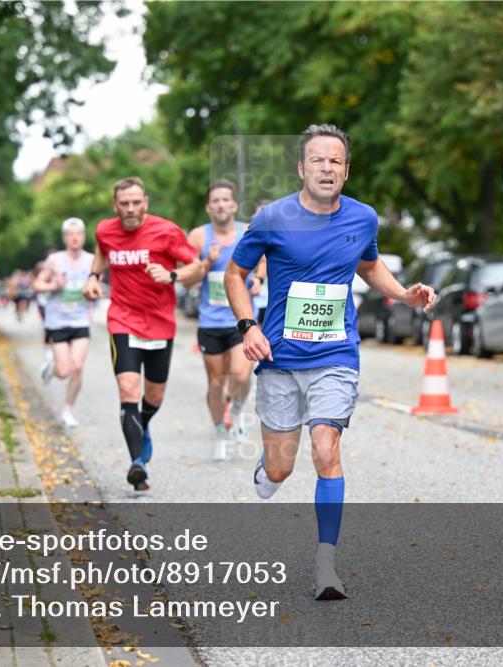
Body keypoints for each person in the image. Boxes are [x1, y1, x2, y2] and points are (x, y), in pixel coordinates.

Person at [224, 124, 437, 601]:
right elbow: (235, 274)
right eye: (317, 160)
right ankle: (269, 468)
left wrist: (404, 294)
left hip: (335, 354)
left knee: (325, 448)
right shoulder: (272, 218)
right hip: (280, 356)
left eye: (335, 161)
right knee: (280, 469)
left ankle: (326, 564)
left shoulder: (363, 217)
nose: (326, 168)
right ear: (302, 168)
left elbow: (368, 264)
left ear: (346, 170)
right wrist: (248, 327)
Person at [83, 177, 204, 491]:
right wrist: (94, 276)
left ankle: (143, 424)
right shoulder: (105, 230)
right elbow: (102, 250)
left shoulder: (167, 231)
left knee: (155, 396)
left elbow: (197, 266)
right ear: (115, 206)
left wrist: (172, 275)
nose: (131, 208)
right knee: (127, 388)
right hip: (122, 319)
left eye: (136, 202)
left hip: (160, 322)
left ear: (146, 203)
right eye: (124, 203)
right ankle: (138, 465)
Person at [185, 180, 263, 460]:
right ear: (209, 207)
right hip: (210, 322)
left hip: (241, 319)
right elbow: (187, 279)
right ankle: (220, 430)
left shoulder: (248, 231)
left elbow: (264, 259)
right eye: (215, 201)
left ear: (234, 205)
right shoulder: (198, 237)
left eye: (225, 200)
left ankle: (237, 410)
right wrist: (207, 263)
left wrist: (259, 278)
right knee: (216, 383)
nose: (221, 205)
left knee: (241, 375)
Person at [34, 218, 95, 428]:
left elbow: (96, 285)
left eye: (78, 233)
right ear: (64, 238)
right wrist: (53, 286)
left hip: (80, 320)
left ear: (84, 236)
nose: (74, 238)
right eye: (70, 234)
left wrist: (94, 293)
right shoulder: (54, 260)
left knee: (77, 367)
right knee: (63, 371)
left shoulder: (91, 260)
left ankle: (67, 410)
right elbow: (37, 284)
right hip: (57, 321)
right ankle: (50, 370)